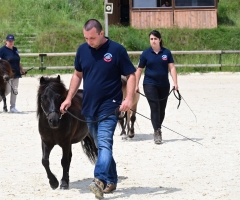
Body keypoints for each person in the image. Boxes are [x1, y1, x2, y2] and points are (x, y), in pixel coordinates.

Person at [60, 19, 136, 199]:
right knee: (100, 146)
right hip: (89, 107)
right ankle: (112, 179)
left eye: (92, 38)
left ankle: (99, 180)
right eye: (86, 38)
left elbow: (130, 75)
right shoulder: (82, 50)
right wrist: (68, 98)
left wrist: (129, 99)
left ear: (101, 34)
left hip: (110, 107)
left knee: (104, 143)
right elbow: (77, 75)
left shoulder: (117, 50)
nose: (89, 42)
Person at [135, 30, 178, 144]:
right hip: (149, 84)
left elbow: (172, 68)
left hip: (164, 84)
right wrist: (136, 84)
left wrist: (175, 82)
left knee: (162, 109)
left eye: (155, 39)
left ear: (159, 39)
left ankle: (157, 127)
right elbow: (139, 70)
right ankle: (157, 131)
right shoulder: (145, 54)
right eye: (151, 39)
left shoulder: (166, 53)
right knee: (154, 107)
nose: (153, 41)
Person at [0, 34, 25, 113]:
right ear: (6, 41)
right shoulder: (2, 50)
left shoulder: (15, 49)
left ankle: (13, 107)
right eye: (9, 41)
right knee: (7, 90)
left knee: (15, 90)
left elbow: (18, 61)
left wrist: (22, 69)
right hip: (7, 74)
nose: (11, 42)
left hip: (16, 72)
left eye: (12, 41)